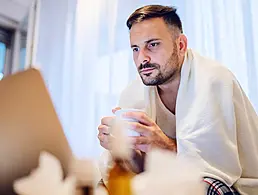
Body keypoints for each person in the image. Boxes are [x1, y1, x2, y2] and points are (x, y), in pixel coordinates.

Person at [97, 5, 258, 195]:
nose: (142, 58)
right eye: (135, 48)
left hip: (235, 186)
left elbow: (213, 171)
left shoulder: (213, 80)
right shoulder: (132, 93)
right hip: (171, 182)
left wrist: (163, 145)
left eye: (153, 44)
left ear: (181, 45)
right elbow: (141, 170)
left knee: (208, 186)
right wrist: (127, 151)